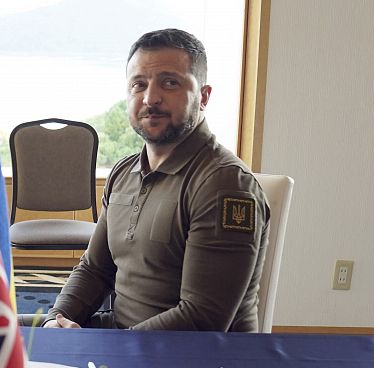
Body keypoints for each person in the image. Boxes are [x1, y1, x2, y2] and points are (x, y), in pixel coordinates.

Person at [46, 29, 269, 332]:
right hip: (122, 337)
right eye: (139, 85)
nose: (151, 98)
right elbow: (94, 269)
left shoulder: (224, 185)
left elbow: (203, 317)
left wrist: (108, 350)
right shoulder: (124, 172)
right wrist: (56, 322)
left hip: (191, 363)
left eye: (170, 83)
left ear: (203, 97)